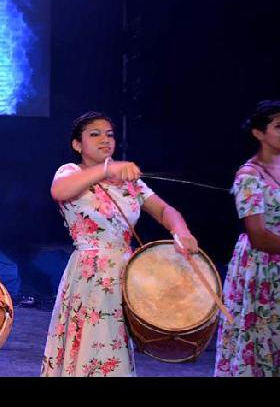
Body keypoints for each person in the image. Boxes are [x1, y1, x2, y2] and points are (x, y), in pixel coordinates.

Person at [40, 111, 199, 377]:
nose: (105, 139)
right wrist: (106, 168)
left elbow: (163, 211)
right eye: (95, 134)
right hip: (90, 275)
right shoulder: (70, 171)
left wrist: (181, 230)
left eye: (109, 134)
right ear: (77, 145)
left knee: (114, 347)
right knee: (92, 341)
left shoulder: (129, 181)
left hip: (126, 274)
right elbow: (59, 191)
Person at [215, 100, 280, 377]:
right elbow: (258, 236)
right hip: (265, 269)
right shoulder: (249, 176)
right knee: (267, 335)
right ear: (258, 133)